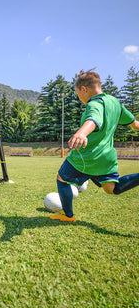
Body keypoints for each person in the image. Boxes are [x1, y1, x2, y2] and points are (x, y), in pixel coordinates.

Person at [50, 69, 139, 222]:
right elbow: (135, 124)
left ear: (84, 89)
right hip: (106, 159)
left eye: (78, 93)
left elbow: (93, 119)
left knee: (62, 178)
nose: (79, 98)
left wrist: (82, 133)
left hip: (86, 158)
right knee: (112, 189)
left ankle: (68, 215)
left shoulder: (94, 104)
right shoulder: (115, 102)